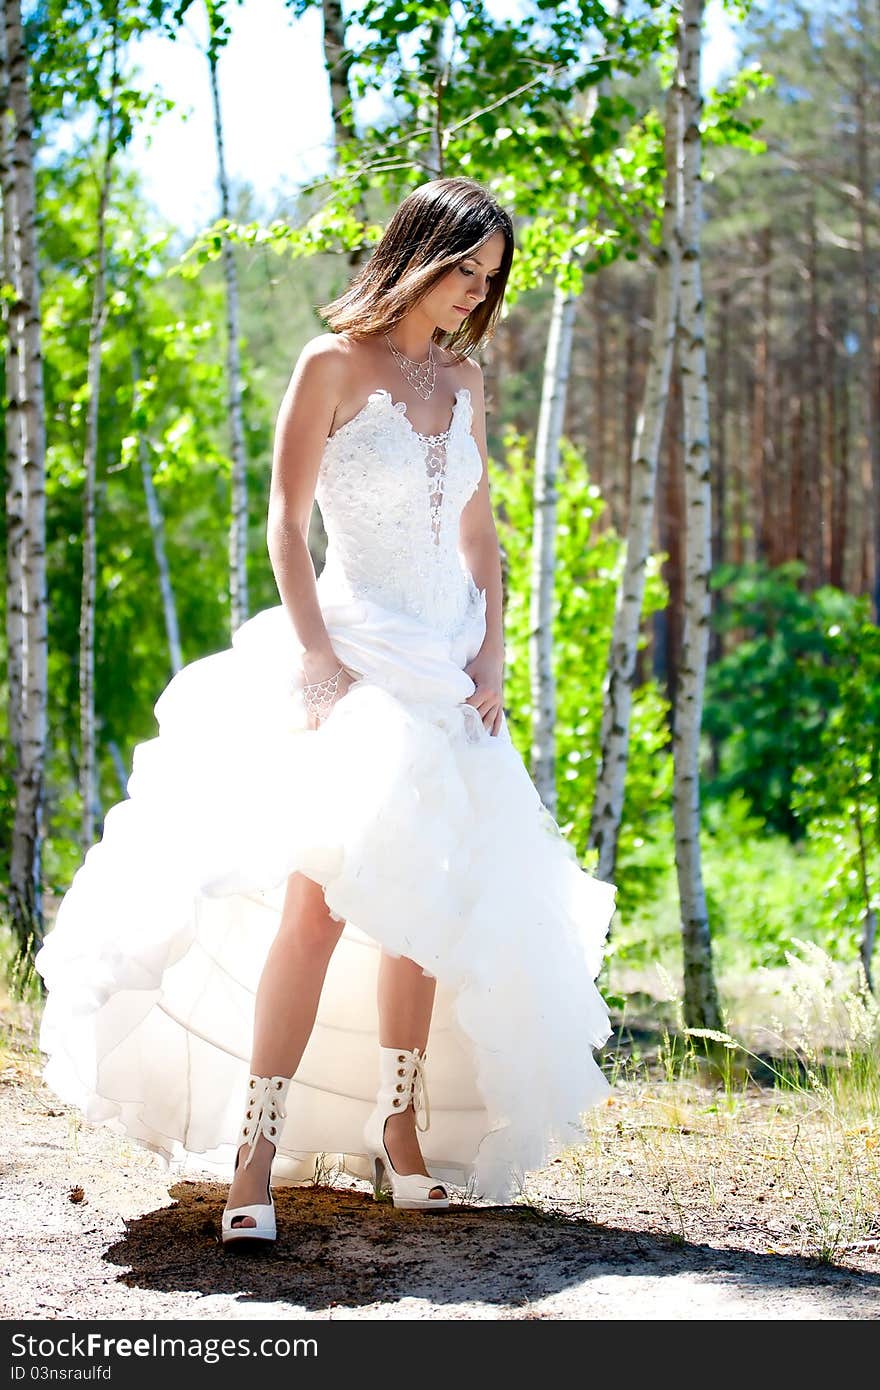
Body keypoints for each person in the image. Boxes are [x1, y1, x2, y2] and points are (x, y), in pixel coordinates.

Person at [35, 176, 618, 1251]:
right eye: (460, 272)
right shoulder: (331, 364)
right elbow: (282, 517)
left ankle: (401, 1137)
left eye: (487, 283)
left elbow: (477, 532)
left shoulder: (467, 379)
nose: (468, 297)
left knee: (428, 917)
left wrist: (494, 649)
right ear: (417, 253)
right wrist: (314, 655)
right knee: (317, 908)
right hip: (354, 663)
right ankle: (253, 1148)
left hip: (449, 671)